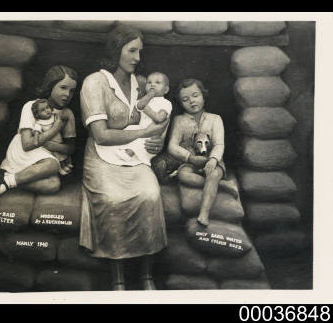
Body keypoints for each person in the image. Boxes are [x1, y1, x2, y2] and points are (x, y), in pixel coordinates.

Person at [79, 25, 169, 291]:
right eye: (132, 50)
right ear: (115, 50)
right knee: (113, 199)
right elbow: (101, 135)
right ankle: (118, 279)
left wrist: (158, 139)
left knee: (150, 194)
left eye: (140, 51)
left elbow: (160, 115)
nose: (137, 58)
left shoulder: (140, 83)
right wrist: (145, 131)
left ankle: (146, 276)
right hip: (102, 157)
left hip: (134, 157)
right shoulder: (94, 83)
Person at [0, 65, 78, 204]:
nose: (67, 94)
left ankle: (5, 180)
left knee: (53, 185)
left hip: (44, 159)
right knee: (53, 165)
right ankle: (10, 180)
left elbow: (70, 148)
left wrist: (49, 145)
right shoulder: (32, 105)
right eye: (63, 87)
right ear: (51, 85)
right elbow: (27, 144)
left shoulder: (67, 114)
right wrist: (55, 129)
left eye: (72, 91)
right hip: (24, 153)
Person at [167, 78, 228, 227]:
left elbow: (219, 144)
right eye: (185, 99)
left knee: (213, 175)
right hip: (190, 162)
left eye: (195, 95)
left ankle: (204, 214)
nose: (192, 101)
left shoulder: (215, 119)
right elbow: (172, 146)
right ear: (180, 103)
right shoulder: (179, 120)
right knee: (183, 175)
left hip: (212, 162)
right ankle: (222, 186)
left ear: (203, 95)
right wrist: (190, 158)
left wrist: (213, 160)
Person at [113, 72, 173, 165]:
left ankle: (129, 153)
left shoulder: (166, 103)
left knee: (142, 141)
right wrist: (149, 95)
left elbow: (160, 118)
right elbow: (139, 105)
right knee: (129, 129)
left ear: (166, 90)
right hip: (142, 129)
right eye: (149, 82)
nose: (152, 84)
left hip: (153, 134)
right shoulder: (147, 100)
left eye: (157, 82)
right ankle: (123, 148)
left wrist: (148, 110)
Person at [30, 99, 74, 175]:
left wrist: (65, 120)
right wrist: (36, 140)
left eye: (47, 107)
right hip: (50, 143)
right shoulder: (39, 123)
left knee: (62, 155)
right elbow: (37, 131)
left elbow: (61, 120)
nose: (47, 110)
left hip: (59, 140)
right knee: (56, 156)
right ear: (37, 114)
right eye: (43, 110)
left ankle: (65, 165)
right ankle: (60, 168)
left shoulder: (54, 116)